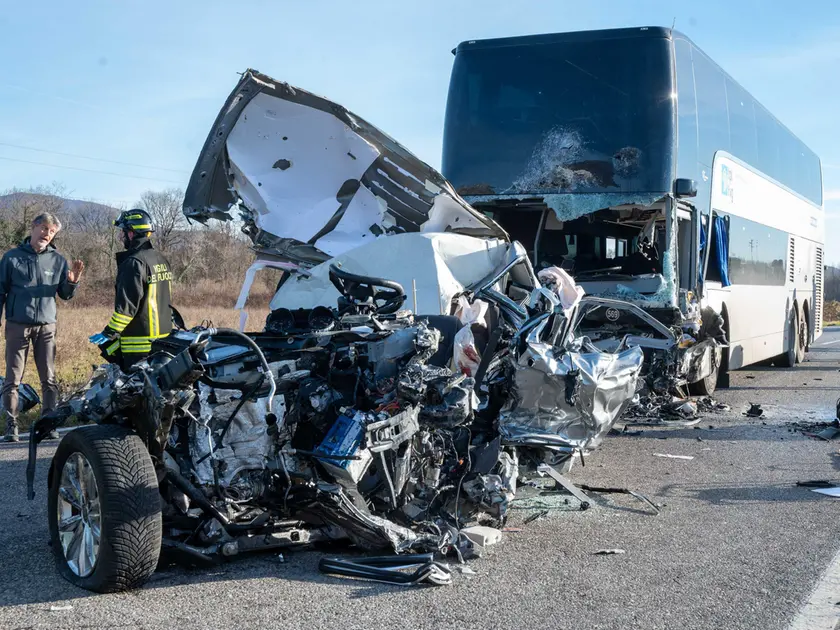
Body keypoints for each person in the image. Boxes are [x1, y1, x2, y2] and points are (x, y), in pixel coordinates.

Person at [0, 213, 84, 442]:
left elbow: (64, 295)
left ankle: (48, 424)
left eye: (52, 231)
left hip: (47, 326)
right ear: (34, 227)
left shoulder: (57, 260)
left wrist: (73, 281)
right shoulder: (11, 258)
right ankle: (12, 426)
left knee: (49, 377)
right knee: (13, 379)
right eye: (44, 228)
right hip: (18, 325)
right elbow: (1, 291)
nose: (47, 234)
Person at [89, 209, 173, 370]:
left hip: (139, 346)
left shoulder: (134, 263)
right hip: (164, 343)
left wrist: (108, 333)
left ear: (132, 233)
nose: (121, 237)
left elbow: (126, 308)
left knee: (136, 392)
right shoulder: (160, 259)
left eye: (123, 232)